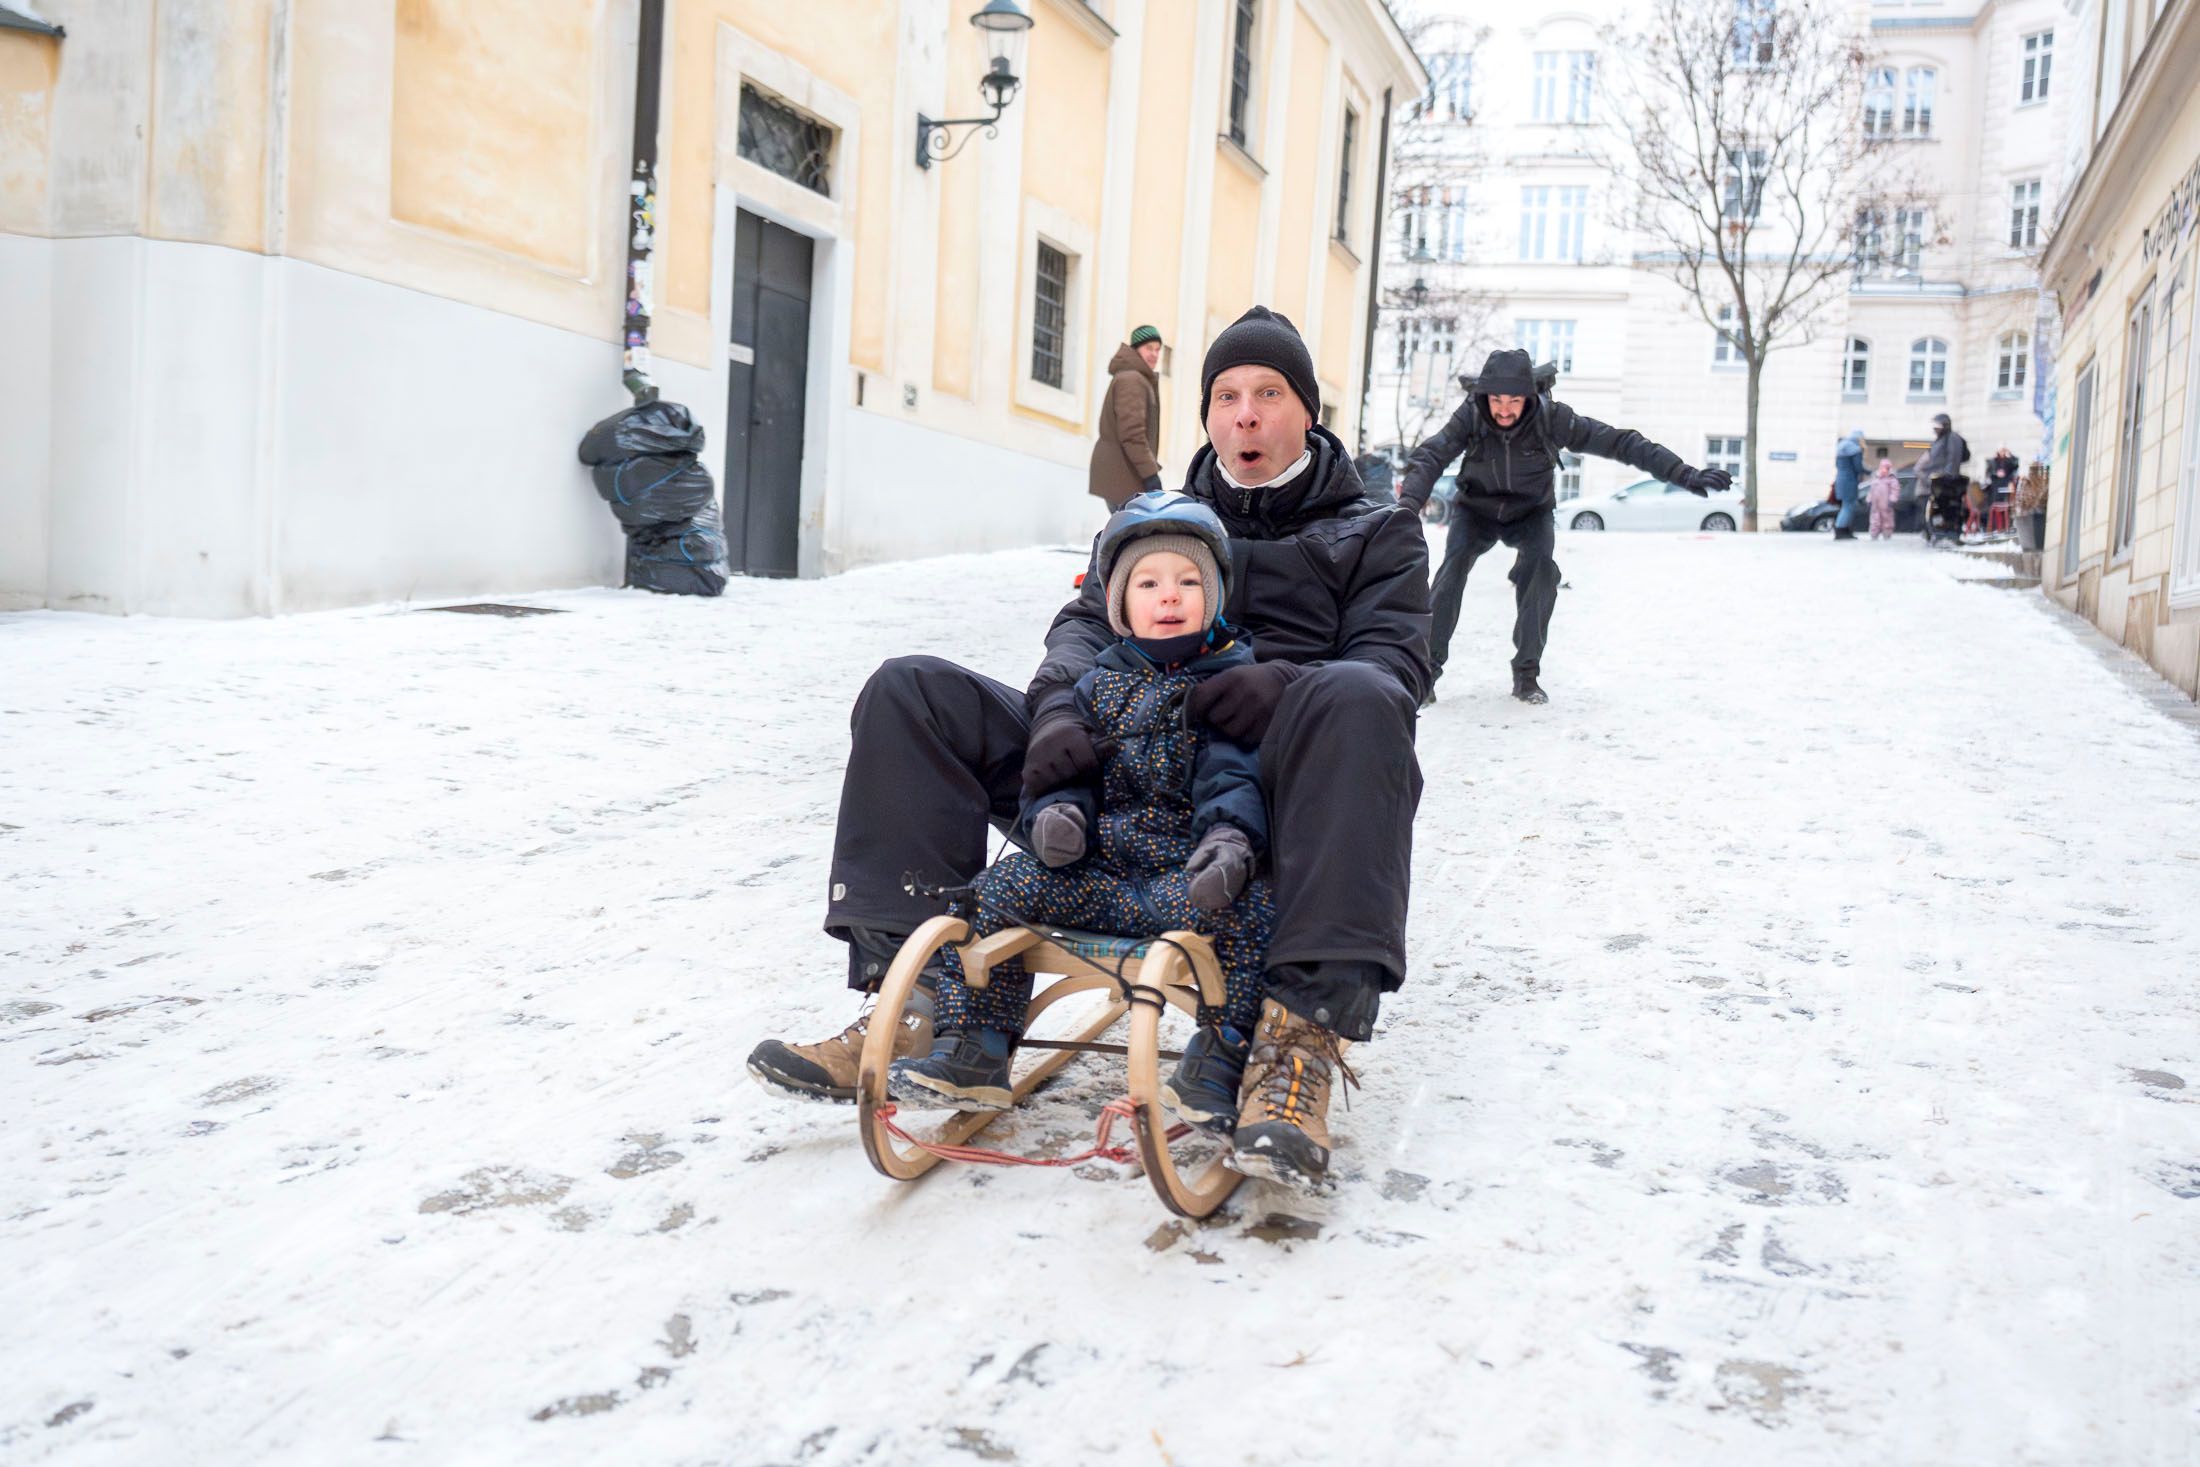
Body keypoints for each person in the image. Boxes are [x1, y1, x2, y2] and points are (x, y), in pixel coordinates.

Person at [747, 305, 1430, 1195]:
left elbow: (1395, 665)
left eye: (1269, 394)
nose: (1246, 415)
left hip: (1259, 784)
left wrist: (1288, 684)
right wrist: (1060, 710)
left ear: (1308, 411)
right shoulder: (1157, 520)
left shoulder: (1375, 534)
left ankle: (1297, 1037)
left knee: (1364, 698)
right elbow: (1077, 628)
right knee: (907, 689)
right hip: (1119, 765)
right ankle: (913, 999)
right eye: (1226, 396)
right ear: (1207, 413)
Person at [889, 492, 1280, 1155]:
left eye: (1190, 583)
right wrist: (1058, 815)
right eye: (1149, 583)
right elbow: (1067, 769)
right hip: (1094, 872)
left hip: (1182, 881)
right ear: (1118, 605)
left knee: (1257, 908)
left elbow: (1235, 776)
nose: (1170, 596)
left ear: (1215, 599)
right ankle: (975, 1044)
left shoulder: (1228, 685)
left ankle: (1221, 1057)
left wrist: (1228, 842)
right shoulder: (1095, 684)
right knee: (999, 889)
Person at [1396, 348, 1731, 704]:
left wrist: (1682, 473)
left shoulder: (1551, 418)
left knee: (1540, 573)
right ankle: (1426, 673)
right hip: (1476, 509)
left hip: (1531, 511)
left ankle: (1527, 674)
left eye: (1514, 400)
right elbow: (1431, 455)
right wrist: (1408, 506)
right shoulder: (1471, 416)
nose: (1504, 410)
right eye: (1496, 400)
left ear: (1529, 397)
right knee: (1450, 574)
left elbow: (1621, 442)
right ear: (1484, 397)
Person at [1089, 326, 1165, 511]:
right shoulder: (1132, 380)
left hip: (1124, 472)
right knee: (1129, 533)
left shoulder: (1136, 378)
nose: (1154, 354)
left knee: (1126, 531)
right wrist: (1150, 475)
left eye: (1157, 349)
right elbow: (1132, 433)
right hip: (1123, 473)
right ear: (1136, 349)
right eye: (1149, 348)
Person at [1914, 412, 1970, 546]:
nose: (1935, 428)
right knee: (1938, 507)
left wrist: (1948, 477)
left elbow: (1953, 458)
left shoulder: (1952, 438)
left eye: (1938, 425)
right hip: (1938, 479)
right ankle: (1938, 532)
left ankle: (1949, 532)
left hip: (1946, 481)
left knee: (1949, 507)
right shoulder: (1940, 440)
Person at [1832, 428, 1866, 541]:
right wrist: (1871, 471)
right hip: (1850, 481)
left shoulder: (1841, 447)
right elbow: (1858, 468)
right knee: (1848, 507)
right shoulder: (1855, 449)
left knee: (1845, 506)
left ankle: (1842, 529)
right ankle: (1841, 530)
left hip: (1840, 480)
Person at [1867, 457, 1901, 541]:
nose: (1884, 470)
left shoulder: (1892, 480)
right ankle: (1874, 534)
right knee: (1875, 520)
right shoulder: (1876, 479)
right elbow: (1871, 491)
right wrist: (1869, 499)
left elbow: (1895, 491)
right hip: (1875, 505)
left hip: (1886, 504)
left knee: (1887, 519)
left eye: (1886, 468)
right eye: (1882, 467)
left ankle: (1887, 534)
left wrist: (1892, 500)